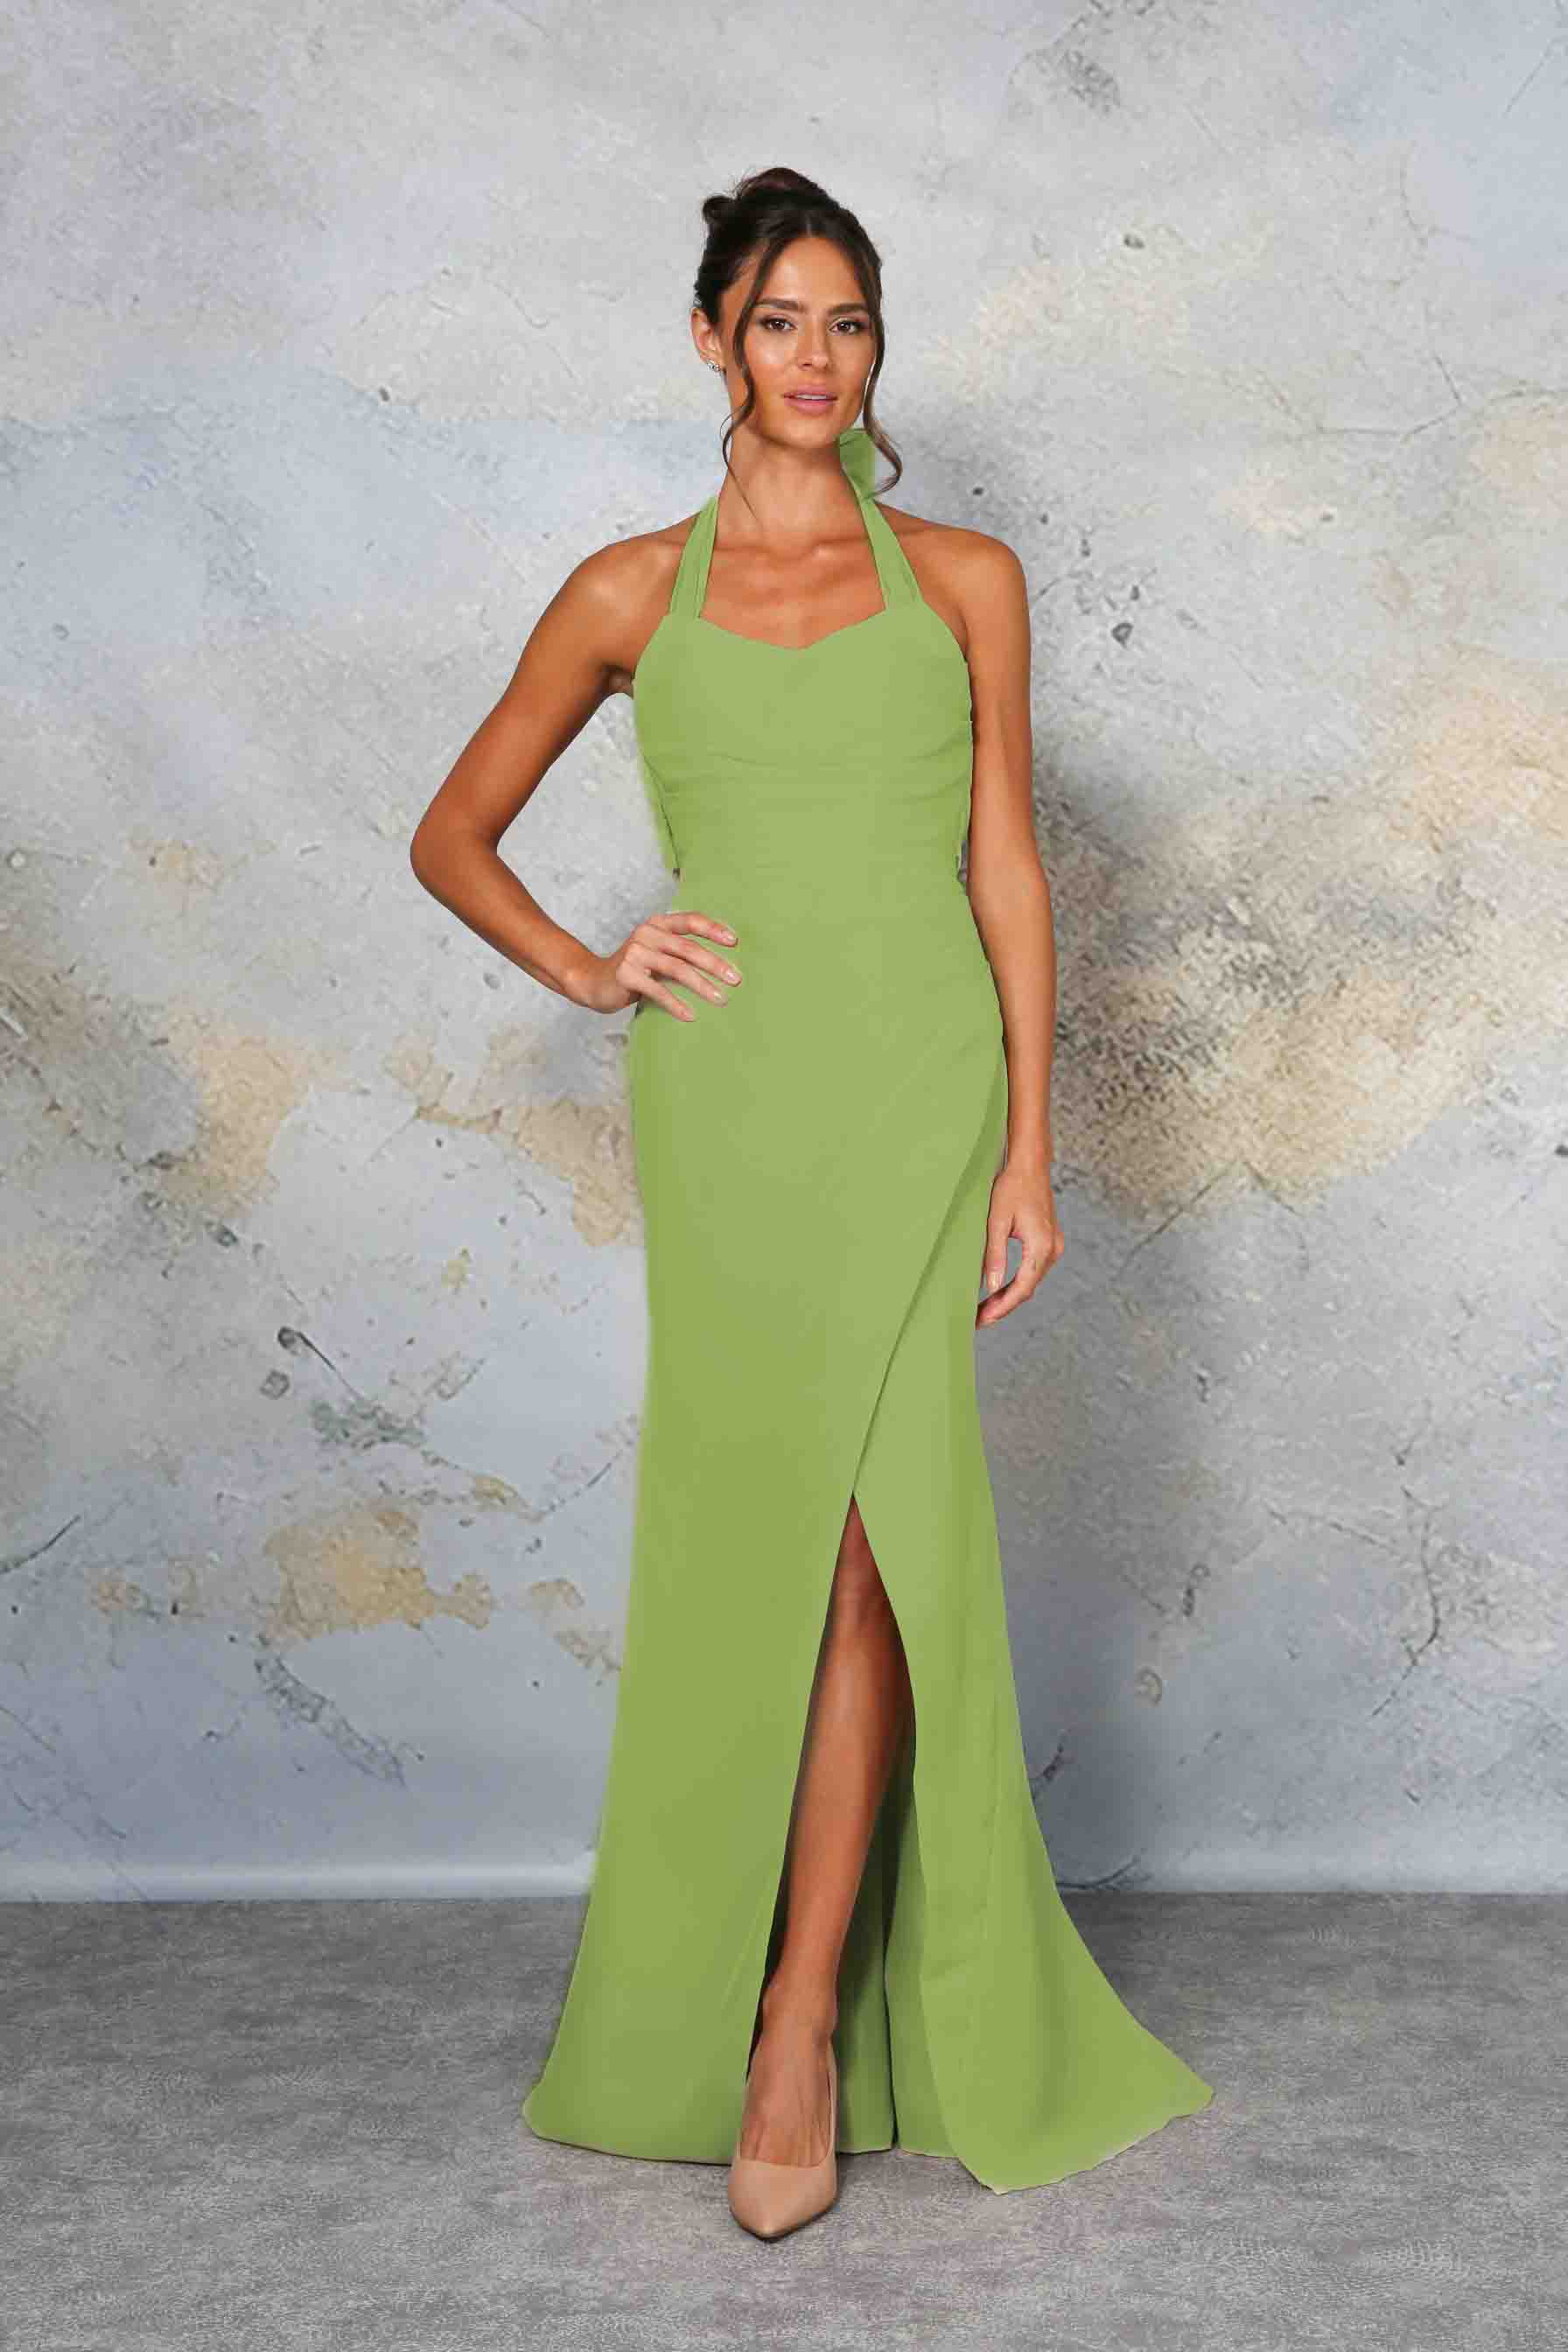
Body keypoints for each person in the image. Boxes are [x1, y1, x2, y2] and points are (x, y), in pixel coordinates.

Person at [410, 165, 1214, 2241]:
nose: (815, 358)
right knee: (748, 1526)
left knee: (872, 1537)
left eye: (847, 323)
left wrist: (1030, 1146)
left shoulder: (965, 577)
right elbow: (451, 833)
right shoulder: (623, 592)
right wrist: (593, 966)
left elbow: (1004, 867)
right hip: (730, 1099)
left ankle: (793, 2023)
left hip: (920, 1086)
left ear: (874, 347)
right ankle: (735, 1990)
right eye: (777, 320)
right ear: (709, 337)